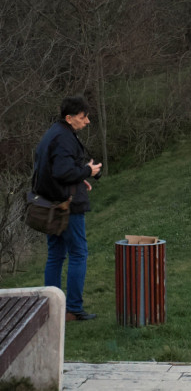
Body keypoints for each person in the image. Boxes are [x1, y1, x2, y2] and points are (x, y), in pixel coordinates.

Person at [35, 96, 102, 321]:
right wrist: (87, 171)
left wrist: (80, 177)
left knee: (55, 255)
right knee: (78, 253)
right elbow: (62, 172)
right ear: (69, 118)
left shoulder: (53, 133)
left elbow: (50, 168)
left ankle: (51, 308)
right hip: (67, 205)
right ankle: (73, 308)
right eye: (83, 117)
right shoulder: (64, 138)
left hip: (50, 203)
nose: (87, 121)